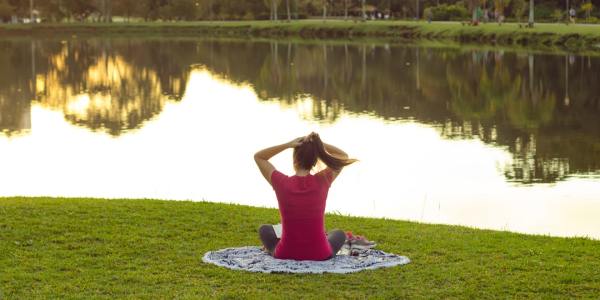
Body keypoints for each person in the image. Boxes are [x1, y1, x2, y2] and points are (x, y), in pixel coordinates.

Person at [254, 132, 357, 261]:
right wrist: (318, 146)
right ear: (314, 161)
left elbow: (259, 157)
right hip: (320, 254)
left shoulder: (281, 182)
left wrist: (287, 145)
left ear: (294, 159)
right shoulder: (323, 180)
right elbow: (342, 156)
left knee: (265, 229)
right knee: (339, 234)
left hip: (286, 253)